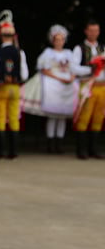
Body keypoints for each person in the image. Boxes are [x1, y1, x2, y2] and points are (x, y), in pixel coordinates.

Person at [22, 25, 79, 154]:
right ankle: (50, 143)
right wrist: (59, 78)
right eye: (57, 39)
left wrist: (71, 77)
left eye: (61, 39)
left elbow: (74, 68)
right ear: (53, 40)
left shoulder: (69, 53)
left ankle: (59, 143)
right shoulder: (48, 53)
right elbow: (44, 69)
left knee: (62, 116)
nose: (59, 42)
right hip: (53, 84)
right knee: (53, 115)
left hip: (66, 86)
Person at [0, 14, 29, 159]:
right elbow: (24, 75)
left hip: (1, 88)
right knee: (13, 117)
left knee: (0, 117)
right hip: (15, 88)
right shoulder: (20, 52)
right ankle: (13, 151)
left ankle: (0, 150)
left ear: (0, 36)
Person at [71, 19, 105, 159]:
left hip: (102, 86)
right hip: (87, 86)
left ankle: (93, 149)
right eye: (91, 30)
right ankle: (81, 150)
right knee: (84, 116)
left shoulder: (103, 48)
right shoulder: (79, 48)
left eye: (96, 30)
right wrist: (91, 69)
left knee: (98, 117)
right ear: (86, 31)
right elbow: (73, 68)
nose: (93, 33)